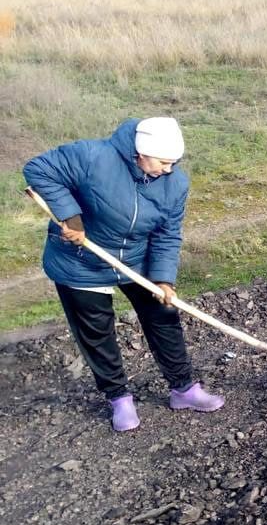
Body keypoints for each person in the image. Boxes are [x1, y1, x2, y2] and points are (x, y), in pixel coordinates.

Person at [23, 118, 224, 432]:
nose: (168, 170)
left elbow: (167, 234)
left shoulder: (175, 184)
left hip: (136, 261)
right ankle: (119, 399)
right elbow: (38, 170)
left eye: (174, 163)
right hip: (82, 262)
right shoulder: (92, 156)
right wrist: (70, 215)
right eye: (163, 162)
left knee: (163, 315)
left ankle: (183, 389)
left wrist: (163, 280)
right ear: (140, 153)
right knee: (97, 332)